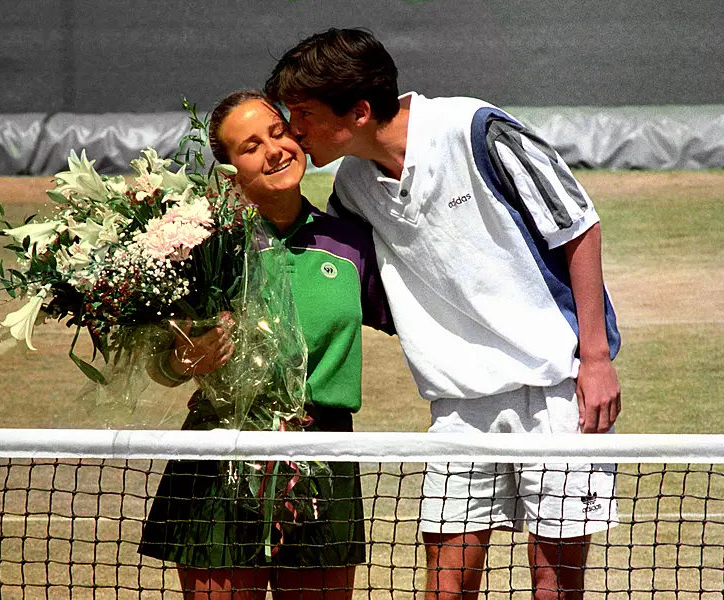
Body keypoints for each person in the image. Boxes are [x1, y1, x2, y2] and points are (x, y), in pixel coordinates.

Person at [264, 28, 621, 600]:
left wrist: (596, 357)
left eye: (302, 113)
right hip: (457, 406)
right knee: (445, 586)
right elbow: (344, 278)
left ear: (357, 111)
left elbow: (578, 225)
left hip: (555, 387)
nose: (294, 128)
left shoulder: (477, 129)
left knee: (555, 585)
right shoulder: (352, 186)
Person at [138, 90, 394, 600]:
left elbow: (421, 322)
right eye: (250, 145)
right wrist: (180, 360)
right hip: (219, 456)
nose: (274, 150)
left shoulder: (353, 244)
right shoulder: (201, 249)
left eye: (278, 133)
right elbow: (160, 363)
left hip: (324, 457)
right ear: (230, 169)